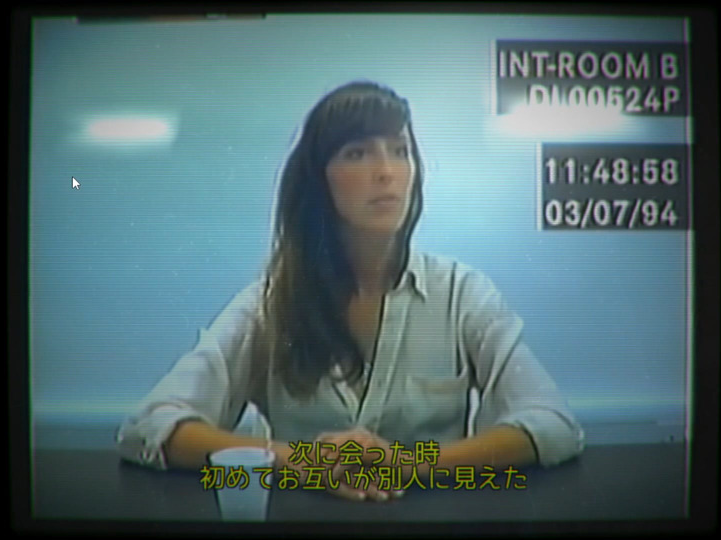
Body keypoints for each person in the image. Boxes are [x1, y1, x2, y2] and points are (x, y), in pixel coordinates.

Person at [116, 80, 584, 502]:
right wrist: (299, 461)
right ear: (318, 180)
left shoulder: (462, 294)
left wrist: (411, 464)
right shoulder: (270, 305)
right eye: (358, 153)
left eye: (400, 151)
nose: (386, 171)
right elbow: (148, 426)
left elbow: (553, 422)